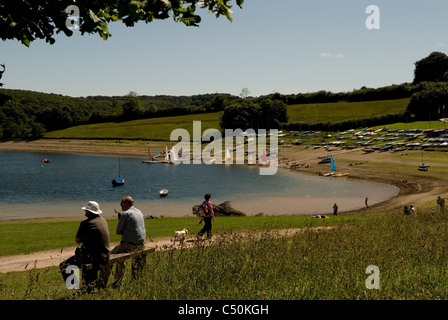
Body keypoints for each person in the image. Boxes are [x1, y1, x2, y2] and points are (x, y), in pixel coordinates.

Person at [59, 201, 110, 291]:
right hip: (105, 254)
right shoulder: (103, 220)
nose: (85, 212)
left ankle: (75, 288)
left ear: (90, 212)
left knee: (64, 265)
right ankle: (87, 288)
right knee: (88, 271)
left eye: (86, 210)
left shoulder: (85, 223)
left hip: (93, 257)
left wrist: (85, 238)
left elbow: (77, 240)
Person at [111, 195, 147, 282]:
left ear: (126, 203)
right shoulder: (139, 212)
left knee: (110, 256)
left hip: (129, 245)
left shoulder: (126, 214)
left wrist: (121, 222)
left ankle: (112, 282)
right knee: (121, 256)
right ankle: (120, 280)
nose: (120, 205)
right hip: (140, 244)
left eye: (121, 203)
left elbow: (118, 232)